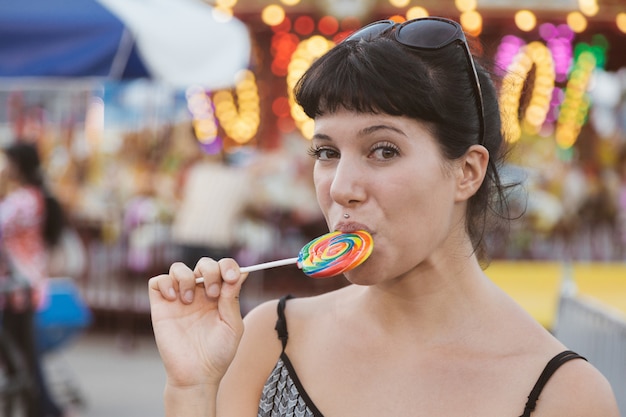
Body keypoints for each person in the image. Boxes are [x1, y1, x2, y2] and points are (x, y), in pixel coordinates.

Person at [148, 17, 619, 417]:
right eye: (327, 151)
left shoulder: (563, 394)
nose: (340, 187)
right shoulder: (270, 339)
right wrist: (192, 389)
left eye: (383, 150)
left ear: (467, 172)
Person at [0, 141, 66, 417]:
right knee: (21, 351)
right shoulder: (34, 196)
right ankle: (42, 406)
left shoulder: (23, 199)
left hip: (18, 288)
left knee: (20, 352)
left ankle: (43, 407)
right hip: (24, 285)